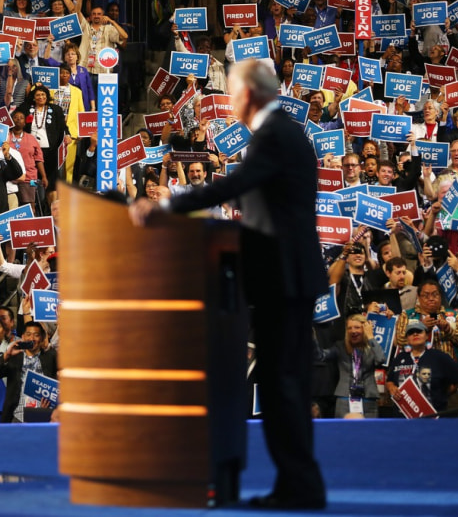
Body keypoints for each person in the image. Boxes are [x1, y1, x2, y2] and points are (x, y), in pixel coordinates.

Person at [129, 60, 326, 510]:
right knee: (283, 383)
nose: (230, 101)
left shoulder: (275, 134)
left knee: (283, 385)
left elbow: (235, 185)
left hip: (285, 277)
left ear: (249, 95)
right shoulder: (280, 131)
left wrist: (168, 207)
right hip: (283, 274)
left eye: (233, 92)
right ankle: (299, 484)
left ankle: (300, 487)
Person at [387, 321, 458, 413]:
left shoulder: (439, 357)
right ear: (407, 339)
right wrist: (391, 388)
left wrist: (449, 391)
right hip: (404, 415)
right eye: (411, 332)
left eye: (419, 331)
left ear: (426, 336)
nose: (415, 334)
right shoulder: (400, 357)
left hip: (433, 416)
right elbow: (390, 380)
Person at [314, 315, 386, 418]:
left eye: (357, 327)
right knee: (343, 433)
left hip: (368, 400)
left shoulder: (372, 346)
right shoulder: (340, 347)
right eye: (349, 328)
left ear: (365, 328)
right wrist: (312, 338)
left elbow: (380, 359)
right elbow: (321, 356)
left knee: (369, 433)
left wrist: (371, 337)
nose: (353, 331)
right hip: (344, 400)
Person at [0, 321, 58, 423]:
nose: (32, 338)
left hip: (42, 414)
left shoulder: (50, 357)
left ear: (42, 338)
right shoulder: (14, 357)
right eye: (28, 334)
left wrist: (50, 404)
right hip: (17, 416)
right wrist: (6, 355)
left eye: (36, 335)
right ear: (23, 337)